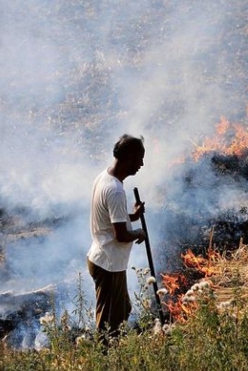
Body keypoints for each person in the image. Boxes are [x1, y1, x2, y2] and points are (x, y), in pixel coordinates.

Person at [86, 134, 147, 342]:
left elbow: (112, 219)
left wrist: (133, 216)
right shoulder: (115, 190)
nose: (141, 164)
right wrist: (138, 232)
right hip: (108, 264)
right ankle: (105, 359)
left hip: (106, 260)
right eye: (140, 158)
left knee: (122, 311)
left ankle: (113, 353)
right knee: (109, 325)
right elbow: (121, 235)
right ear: (129, 156)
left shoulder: (104, 178)